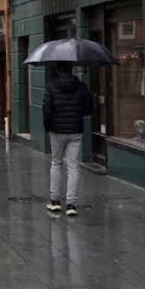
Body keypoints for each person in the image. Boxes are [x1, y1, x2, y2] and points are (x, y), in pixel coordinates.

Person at [43, 62, 92, 217]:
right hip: (75, 130)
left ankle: (55, 201)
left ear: (58, 68)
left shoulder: (51, 86)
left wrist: (48, 127)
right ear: (71, 69)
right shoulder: (81, 87)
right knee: (73, 166)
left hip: (56, 130)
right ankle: (71, 204)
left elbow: (47, 110)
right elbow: (88, 109)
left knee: (56, 163)